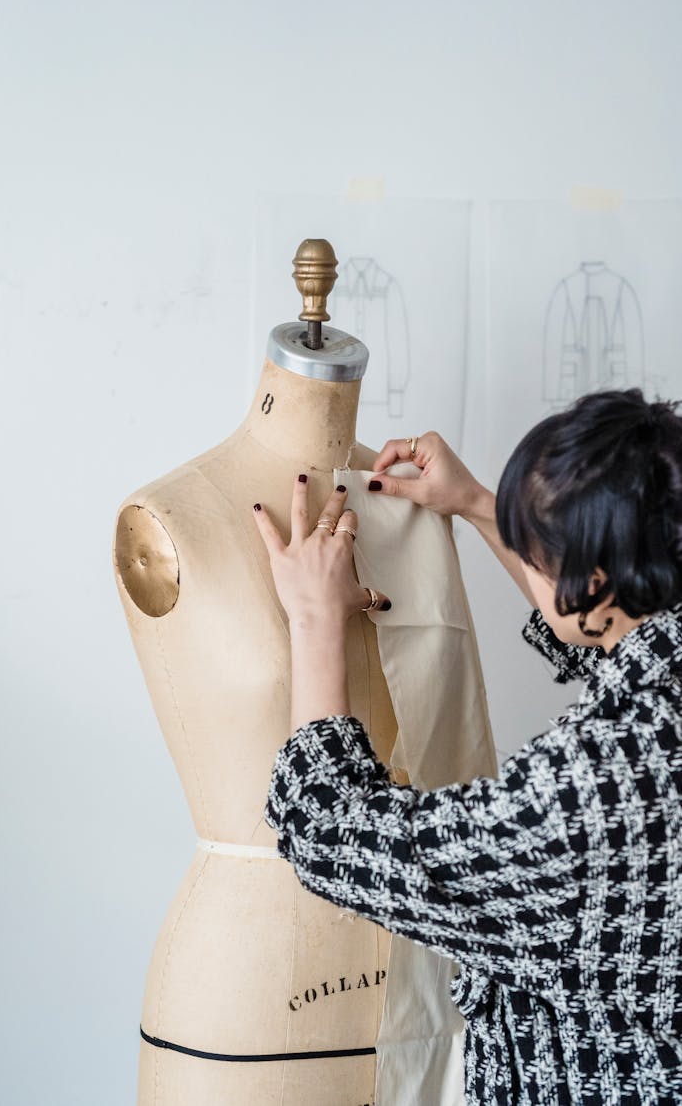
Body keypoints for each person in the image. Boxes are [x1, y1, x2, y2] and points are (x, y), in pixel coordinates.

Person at [251, 387, 682, 1105]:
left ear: (593, 584)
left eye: (537, 552)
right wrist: (482, 504)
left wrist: (313, 616)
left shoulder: (583, 793)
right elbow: (608, 644)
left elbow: (330, 831)